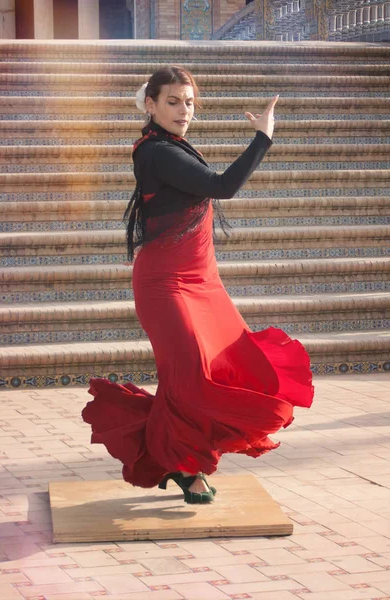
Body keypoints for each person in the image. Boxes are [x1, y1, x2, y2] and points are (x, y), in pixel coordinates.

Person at [82, 66, 314, 504]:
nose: (183, 110)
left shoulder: (172, 144)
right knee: (190, 376)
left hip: (200, 279)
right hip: (164, 285)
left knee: (227, 363)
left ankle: (174, 458)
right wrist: (262, 138)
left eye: (189, 102)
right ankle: (187, 467)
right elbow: (222, 186)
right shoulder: (155, 152)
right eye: (172, 101)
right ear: (150, 105)